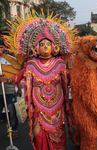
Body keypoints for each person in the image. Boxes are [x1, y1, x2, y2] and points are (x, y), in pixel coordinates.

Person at [0, 8, 77, 149]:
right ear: (36, 47)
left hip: (57, 106)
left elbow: (71, 79)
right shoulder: (31, 64)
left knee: (58, 135)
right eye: (42, 44)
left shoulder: (60, 63)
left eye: (48, 44)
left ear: (54, 46)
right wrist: (8, 80)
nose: (45, 47)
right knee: (39, 135)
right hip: (38, 108)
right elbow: (19, 76)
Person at [0, 39, 22, 140]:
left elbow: (17, 73)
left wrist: (19, 88)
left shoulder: (10, 59)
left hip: (9, 91)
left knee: (12, 113)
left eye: (1, 47)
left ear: (4, 48)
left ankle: (14, 130)